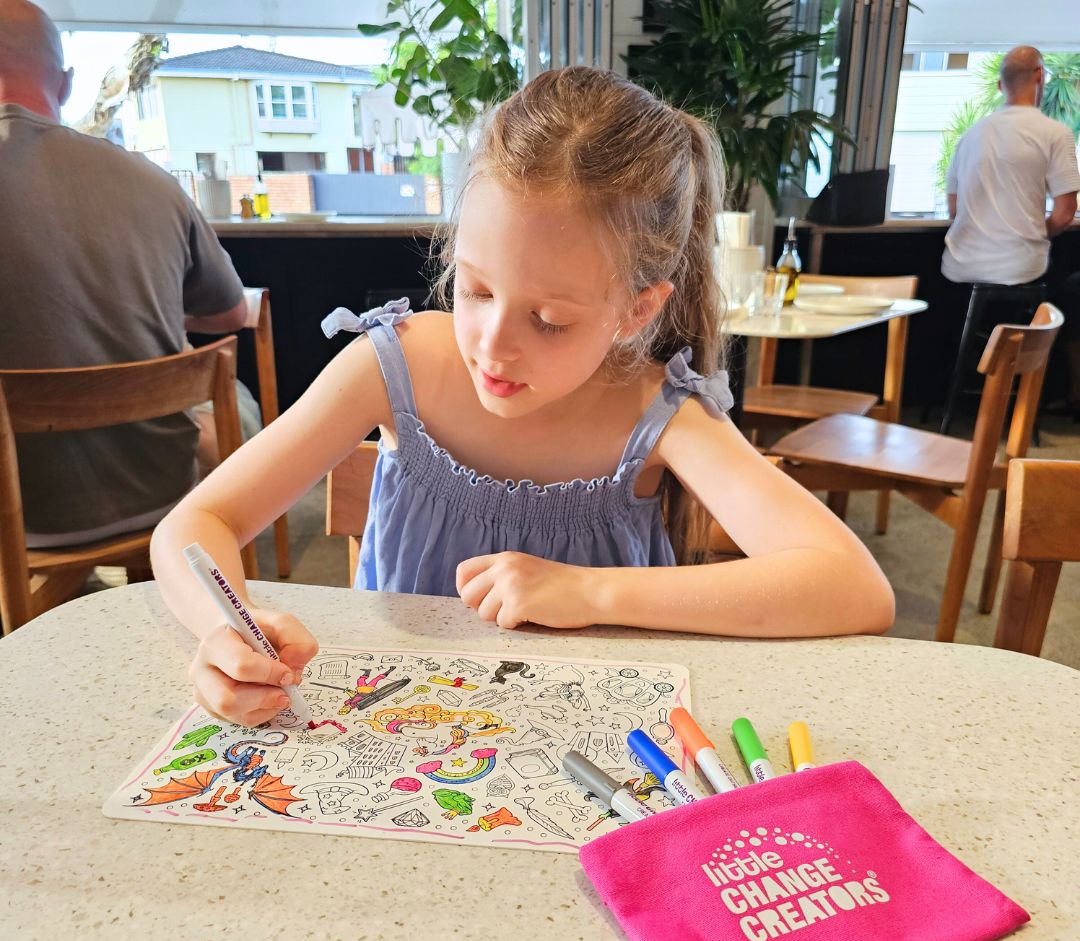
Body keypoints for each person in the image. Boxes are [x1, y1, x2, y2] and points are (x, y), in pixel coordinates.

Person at [150, 67, 895, 728]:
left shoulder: (659, 411)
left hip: (598, 739)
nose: (494, 345)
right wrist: (226, 631)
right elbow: (197, 522)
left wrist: (592, 594)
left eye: (549, 320)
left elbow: (853, 588)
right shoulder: (391, 364)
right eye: (475, 288)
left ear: (637, 310)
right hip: (401, 727)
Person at [0, 0, 253, 549]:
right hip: (161, 492)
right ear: (65, 84)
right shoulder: (149, 178)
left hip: (18, 517)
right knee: (242, 403)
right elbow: (231, 314)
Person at [936, 45, 1080, 430]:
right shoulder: (1055, 133)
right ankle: (1022, 413)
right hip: (1020, 267)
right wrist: (1034, 232)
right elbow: (1065, 214)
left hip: (960, 266)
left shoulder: (970, 135)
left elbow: (953, 210)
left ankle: (949, 408)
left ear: (1000, 84)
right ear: (1040, 77)